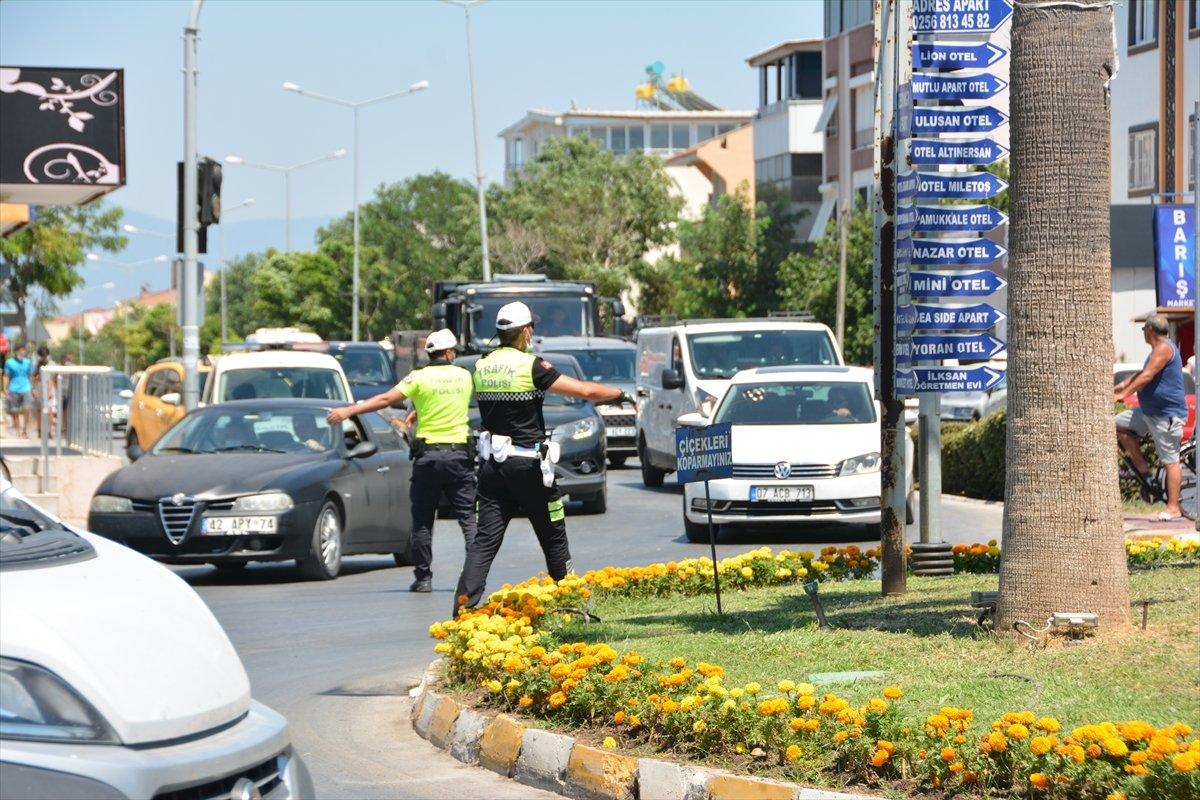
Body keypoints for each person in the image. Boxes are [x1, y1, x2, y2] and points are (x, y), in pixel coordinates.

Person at [452, 302, 633, 616]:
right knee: (553, 534)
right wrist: (620, 394)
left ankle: (462, 611)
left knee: (484, 542)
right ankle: (572, 605)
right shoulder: (531, 365)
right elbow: (584, 391)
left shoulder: (482, 365)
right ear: (525, 331)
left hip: (493, 468)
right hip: (528, 466)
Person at [327, 329, 476, 593]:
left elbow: (385, 399)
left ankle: (424, 578)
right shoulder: (464, 376)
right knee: (468, 520)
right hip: (458, 457)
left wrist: (349, 411)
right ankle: (475, 577)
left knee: (422, 520)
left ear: (430, 354)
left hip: (428, 457)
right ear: (450, 352)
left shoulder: (419, 378)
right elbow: (451, 399)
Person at [1115, 314, 1189, 520]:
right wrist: (1119, 386)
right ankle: (1144, 470)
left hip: (1166, 416)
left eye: (1143, 330)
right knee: (1117, 426)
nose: (1143, 335)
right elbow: (1142, 373)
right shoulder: (1157, 350)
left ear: (1149, 329)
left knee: (1170, 460)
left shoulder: (1164, 348)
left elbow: (1147, 377)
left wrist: (1122, 395)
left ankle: (1173, 508)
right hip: (1148, 413)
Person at [3, 344, 34, 438]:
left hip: (26, 387)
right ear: (16, 351)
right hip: (14, 388)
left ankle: (25, 429)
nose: (23, 352)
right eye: (21, 350)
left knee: (27, 408)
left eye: (24, 350)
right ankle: (18, 430)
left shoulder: (28, 362)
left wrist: (33, 389)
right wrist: (5, 389)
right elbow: (6, 376)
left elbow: (30, 375)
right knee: (15, 411)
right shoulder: (9, 362)